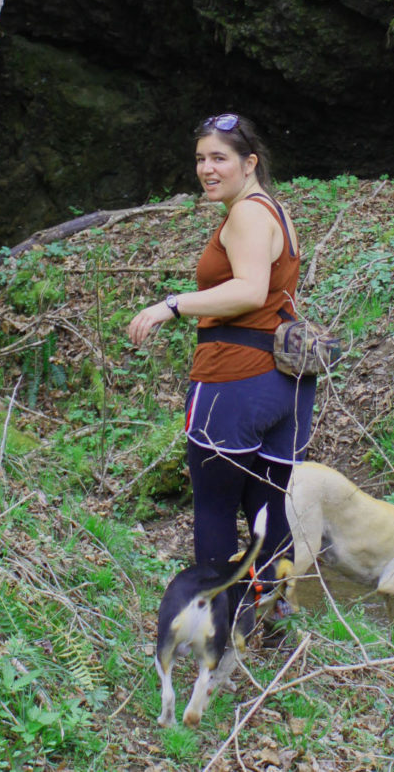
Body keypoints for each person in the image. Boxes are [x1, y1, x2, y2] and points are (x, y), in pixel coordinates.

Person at [127, 113, 316, 571]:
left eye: (219, 158)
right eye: (200, 159)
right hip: (286, 385)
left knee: (214, 509)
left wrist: (170, 305)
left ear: (249, 162)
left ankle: (218, 625)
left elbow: (250, 290)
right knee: (269, 513)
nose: (207, 169)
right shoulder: (274, 209)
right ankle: (272, 618)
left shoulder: (248, 213)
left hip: (235, 379)